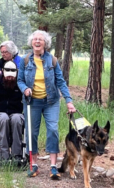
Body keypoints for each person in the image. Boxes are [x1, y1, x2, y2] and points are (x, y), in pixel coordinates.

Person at [17, 30, 76, 179]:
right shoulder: (24, 60)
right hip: (32, 102)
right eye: (35, 39)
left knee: (53, 130)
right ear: (31, 42)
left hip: (51, 101)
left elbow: (61, 82)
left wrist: (69, 101)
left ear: (45, 43)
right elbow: (20, 80)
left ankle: (53, 166)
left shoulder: (53, 61)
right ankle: (34, 165)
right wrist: (25, 89)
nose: (37, 41)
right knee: (32, 133)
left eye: (40, 40)